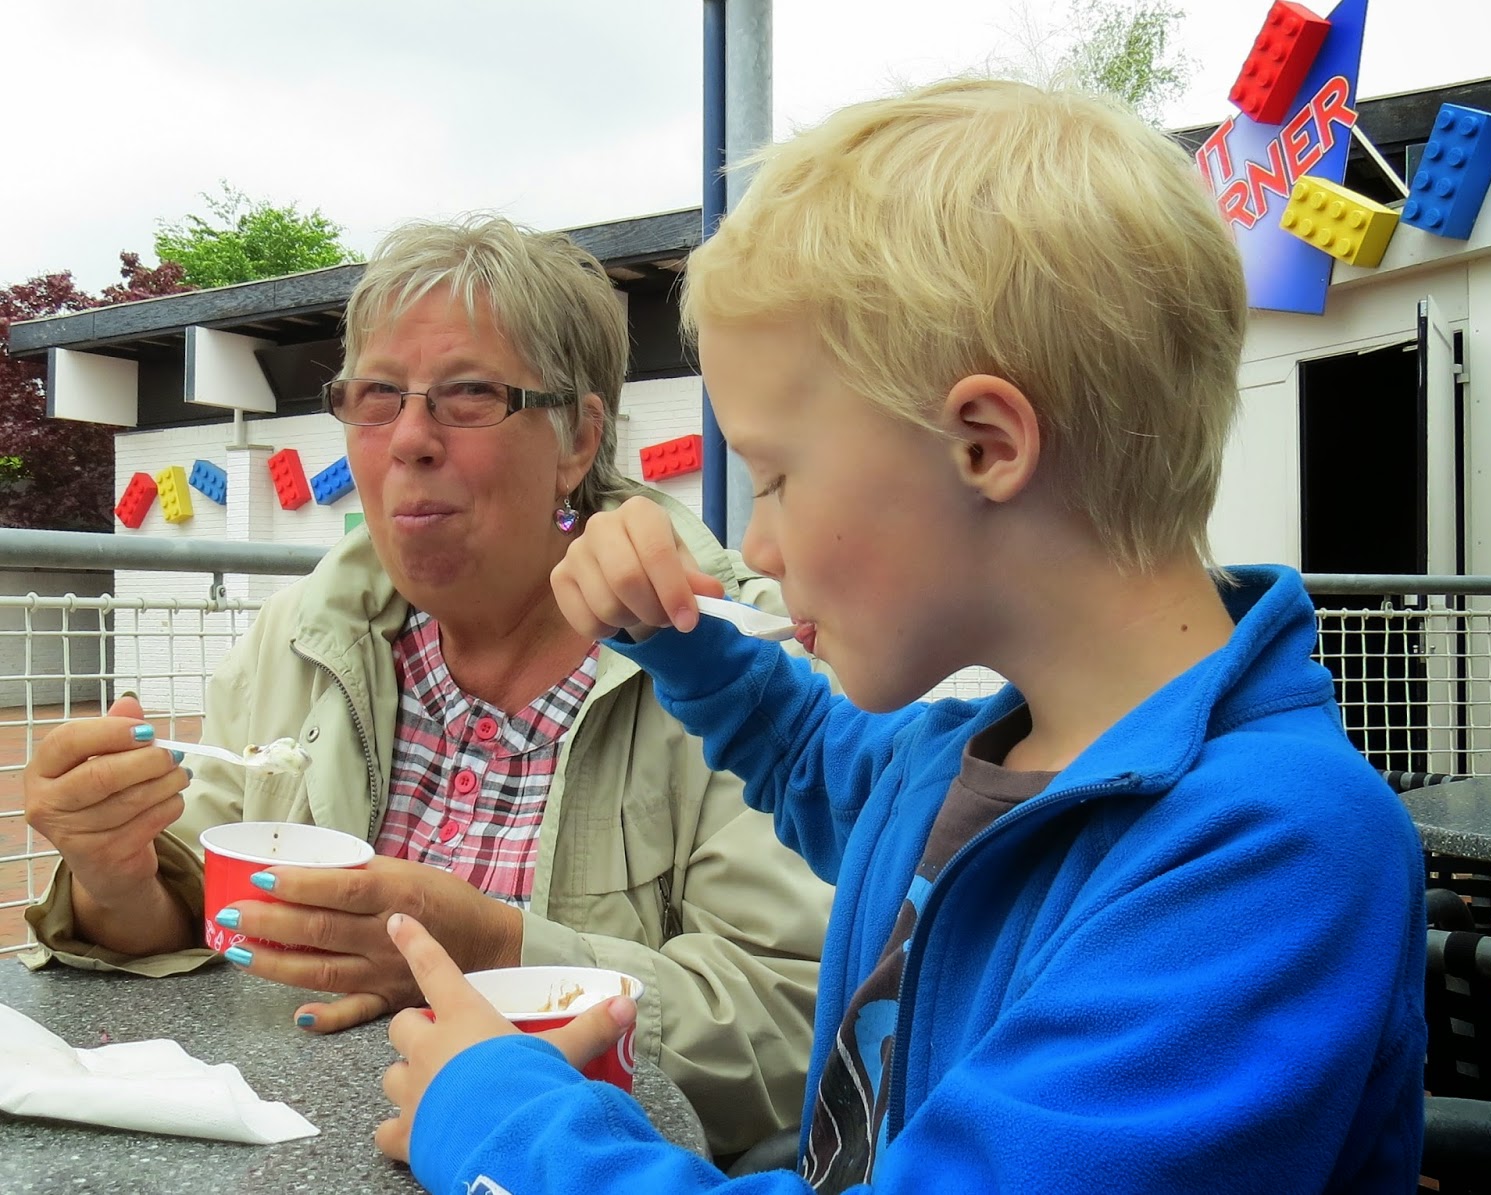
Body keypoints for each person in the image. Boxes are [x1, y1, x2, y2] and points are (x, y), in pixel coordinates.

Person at [372, 78, 1428, 1194]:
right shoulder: (960, 762)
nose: (757, 543)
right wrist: (672, 631)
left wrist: (510, 1129)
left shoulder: (1266, 858)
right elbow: (802, 748)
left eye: (777, 477)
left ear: (984, 446)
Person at [20, 214, 834, 1156]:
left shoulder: (735, 658)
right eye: (377, 395)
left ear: (577, 440)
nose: (408, 438)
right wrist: (115, 873)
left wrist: (492, 952)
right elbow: (203, 911)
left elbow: (793, 1020)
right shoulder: (300, 640)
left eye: (468, 395)